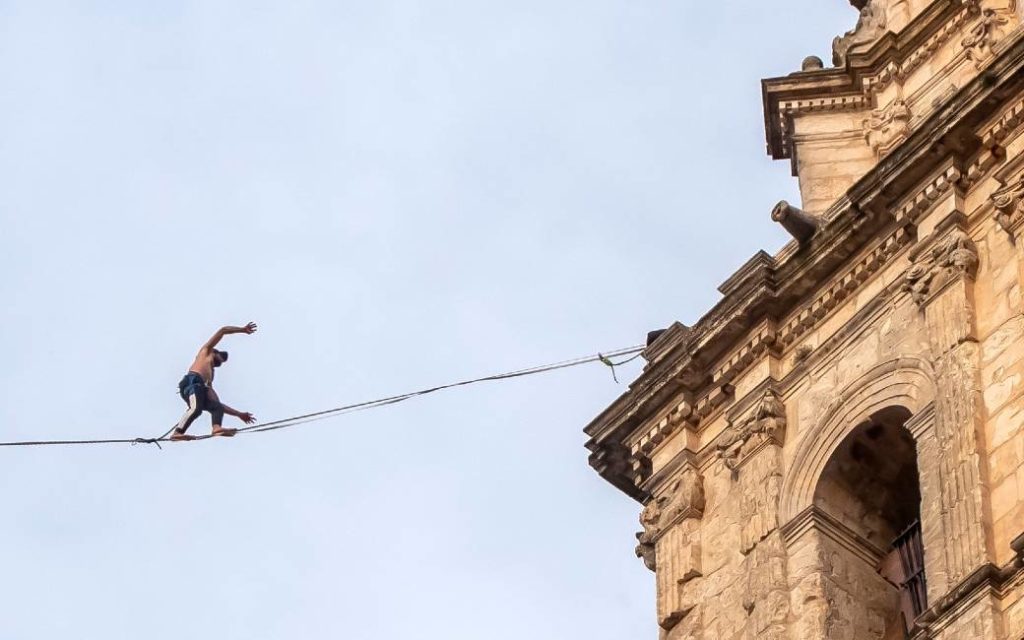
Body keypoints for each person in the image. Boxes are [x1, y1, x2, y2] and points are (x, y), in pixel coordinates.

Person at [170, 322, 259, 441]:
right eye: (221, 358)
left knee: (216, 407)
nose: (221, 363)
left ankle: (216, 428)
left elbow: (217, 402)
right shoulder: (205, 352)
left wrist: (239, 414)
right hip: (192, 382)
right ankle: (177, 433)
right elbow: (223, 330)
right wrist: (242, 330)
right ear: (214, 353)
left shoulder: (210, 377)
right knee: (196, 409)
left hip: (200, 387)